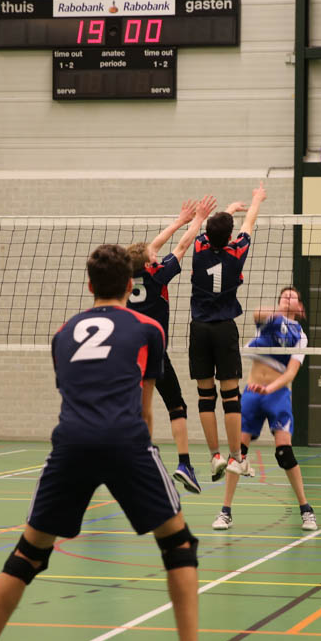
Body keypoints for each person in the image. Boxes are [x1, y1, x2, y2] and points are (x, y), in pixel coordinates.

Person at [0, 244, 215, 641]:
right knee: (179, 545)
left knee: (28, 554)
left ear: (89, 285)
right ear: (130, 285)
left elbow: (73, 392)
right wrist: (138, 457)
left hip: (72, 443)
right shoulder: (149, 329)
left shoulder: (62, 334)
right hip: (126, 440)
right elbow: (145, 408)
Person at [126, 196, 216, 495]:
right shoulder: (158, 275)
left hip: (127, 354)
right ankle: (184, 464)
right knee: (176, 406)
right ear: (149, 262)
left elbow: (149, 248)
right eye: (153, 255)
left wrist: (179, 221)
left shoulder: (127, 276)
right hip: (154, 353)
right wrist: (197, 220)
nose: (156, 253)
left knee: (130, 408)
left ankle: (125, 458)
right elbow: (182, 246)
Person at [212, 287, 317, 533]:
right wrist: (280, 311)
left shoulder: (300, 336)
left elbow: (291, 373)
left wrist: (269, 389)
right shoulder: (270, 320)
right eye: (284, 296)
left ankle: (306, 510)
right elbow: (257, 313)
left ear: (300, 306)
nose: (287, 298)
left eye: (292, 296)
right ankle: (225, 511)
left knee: (284, 454)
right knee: (237, 454)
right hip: (251, 394)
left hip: (277, 395)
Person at [189, 182, 267, 482]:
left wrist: (228, 210)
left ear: (207, 233)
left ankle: (215, 456)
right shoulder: (237, 251)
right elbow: (250, 223)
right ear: (229, 236)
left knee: (205, 396)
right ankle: (237, 457)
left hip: (199, 329)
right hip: (224, 329)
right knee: (231, 396)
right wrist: (256, 199)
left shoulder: (198, 246)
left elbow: (215, 229)